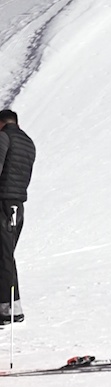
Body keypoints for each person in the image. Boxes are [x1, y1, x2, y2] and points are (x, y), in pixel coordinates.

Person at [0, 110, 34, 325]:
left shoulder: (4, 137)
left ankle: (6, 309)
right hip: (17, 205)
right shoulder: (28, 142)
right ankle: (13, 307)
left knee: (2, 256)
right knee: (6, 255)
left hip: (3, 203)